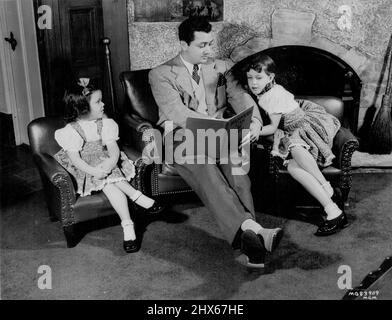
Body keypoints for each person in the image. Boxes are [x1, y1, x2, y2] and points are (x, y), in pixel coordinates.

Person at [148, 17, 283, 269]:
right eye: (202, 45)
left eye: (211, 44)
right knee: (206, 169)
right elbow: (178, 113)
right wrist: (215, 125)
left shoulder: (222, 67)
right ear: (183, 44)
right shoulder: (161, 74)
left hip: (220, 135)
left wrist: (254, 121)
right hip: (181, 136)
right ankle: (253, 232)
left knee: (238, 173)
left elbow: (241, 97)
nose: (209, 50)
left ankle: (251, 242)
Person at [239, 53, 349, 236]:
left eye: (259, 78)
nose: (254, 83)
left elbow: (273, 127)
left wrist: (255, 131)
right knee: (292, 166)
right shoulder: (267, 91)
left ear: (271, 77)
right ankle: (334, 211)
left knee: (294, 146)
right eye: (250, 78)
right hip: (291, 132)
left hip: (305, 128)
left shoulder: (271, 96)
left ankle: (325, 185)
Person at [53, 79, 164, 253]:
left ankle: (128, 227)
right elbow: (75, 159)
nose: (103, 104)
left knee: (111, 186)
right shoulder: (71, 131)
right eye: (98, 101)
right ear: (82, 108)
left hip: (106, 164)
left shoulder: (105, 123)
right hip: (85, 168)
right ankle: (136, 196)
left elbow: (112, 146)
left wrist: (112, 161)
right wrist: (93, 171)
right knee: (108, 177)